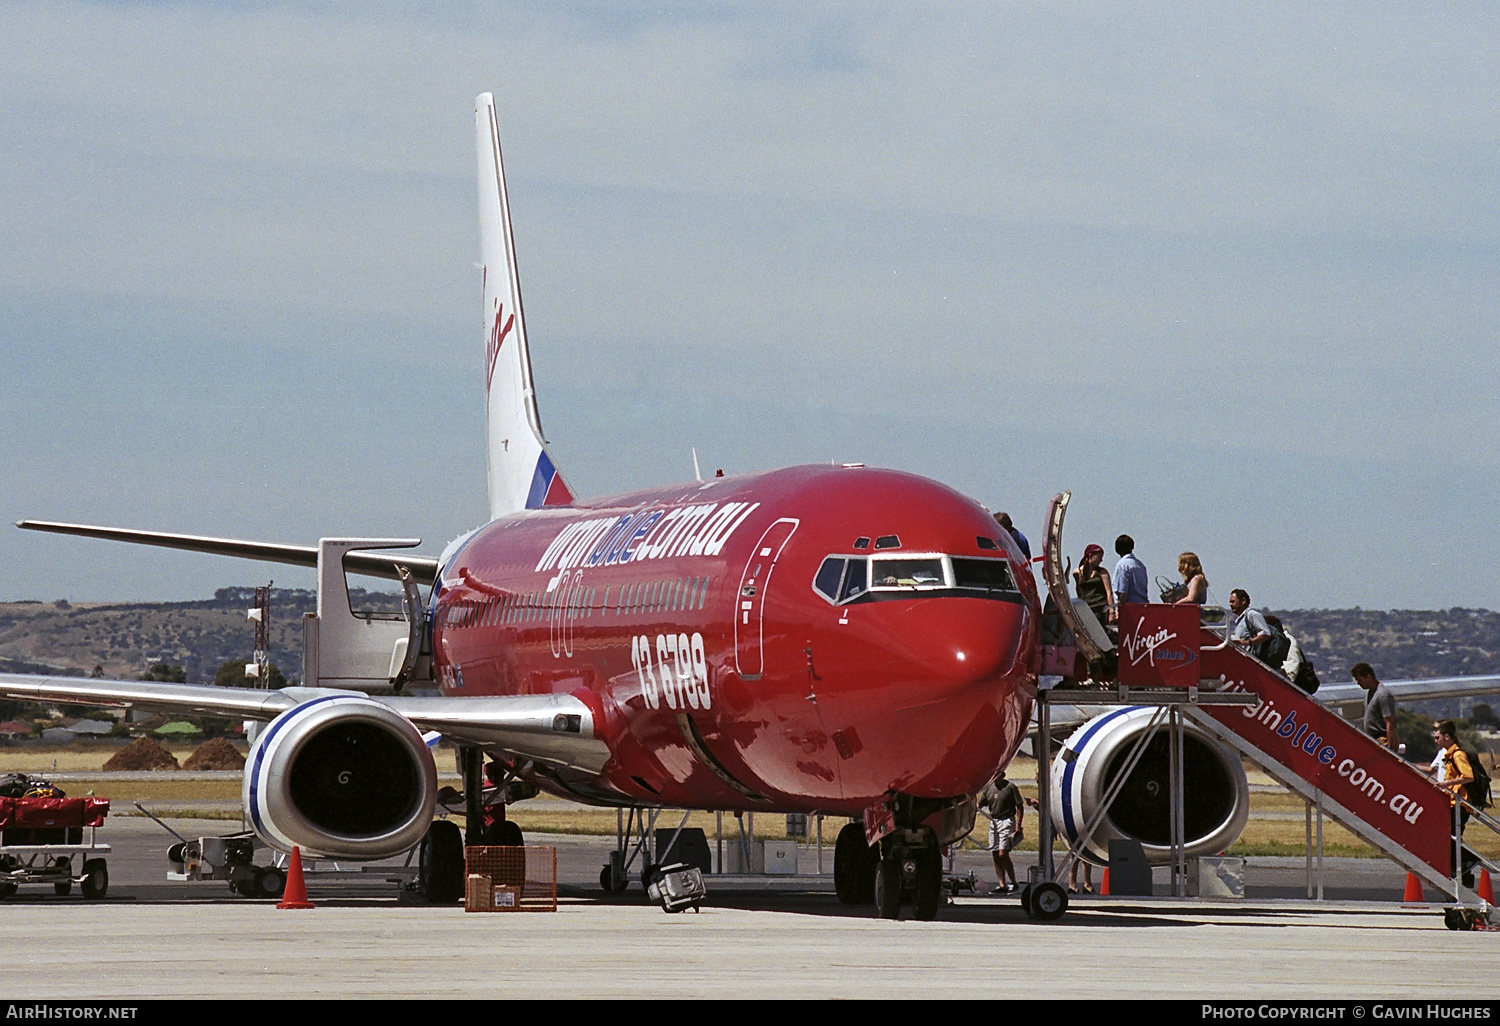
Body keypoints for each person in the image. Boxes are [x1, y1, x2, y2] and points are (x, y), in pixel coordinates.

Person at [1430, 720, 1477, 886]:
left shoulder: (1457, 755)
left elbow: (1468, 776)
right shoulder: (1448, 755)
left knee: (1449, 836)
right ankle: (1463, 870)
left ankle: (1468, 861)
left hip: (1460, 804)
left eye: (1437, 738)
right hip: (1452, 803)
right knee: (1449, 837)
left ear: (1447, 736)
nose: (1435, 741)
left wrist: (1445, 784)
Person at [979, 773, 1025, 893]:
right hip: (994, 820)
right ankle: (1002, 884)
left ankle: (1013, 882)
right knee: (995, 853)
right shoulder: (988, 788)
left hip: (1007, 819)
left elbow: (1019, 806)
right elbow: (980, 803)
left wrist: (1018, 824)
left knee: (1003, 853)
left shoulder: (1010, 787)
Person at [1352, 662, 1400, 751]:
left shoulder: (1383, 695)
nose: (1358, 683)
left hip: (1382, 740)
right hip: (1372, 741)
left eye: (1360, 680)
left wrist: (1391, 748)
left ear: (1368, 677)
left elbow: (1389, 722)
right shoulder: (1369, 694)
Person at [1073, 543, 1116, 626]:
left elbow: (1109, 593)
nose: (1101, 560)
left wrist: (1111, 612)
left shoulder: (1102, 573)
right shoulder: (1078, 573)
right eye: (1099, 557)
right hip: (1087, 609)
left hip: (1101, 608)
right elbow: (1079, 591)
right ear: (1090, 555)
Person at [1227, 588, 1273, 653]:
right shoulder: (1240, 620)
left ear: (1243, 601)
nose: (1230, 605)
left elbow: (1266, 634)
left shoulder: (1252, 615)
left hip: (1249, 658)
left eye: (1233, 601)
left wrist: (1247, 643)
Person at [1111, 535, 1149, 607]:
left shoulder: (1122, 565)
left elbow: (1122, 592)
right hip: (1143, 606)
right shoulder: (1140, 565)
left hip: (1129, 609)